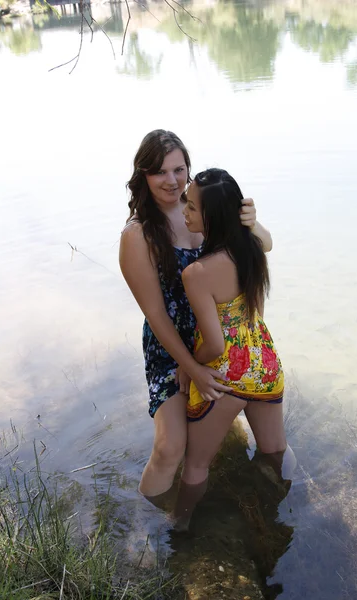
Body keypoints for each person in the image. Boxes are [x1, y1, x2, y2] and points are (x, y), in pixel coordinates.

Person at [119, 130, 273, 502]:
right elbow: (155, 315)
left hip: (218, 340)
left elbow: (263, 247)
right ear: (143, 176)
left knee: (217, 436)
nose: (172, 181)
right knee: (171, 447)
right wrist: (191, 369)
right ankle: (152, 527)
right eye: (160, 172)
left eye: (179, 169)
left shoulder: (204, 208)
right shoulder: (137, 235)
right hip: (172, 350)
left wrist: (253, 223)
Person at [173, 167, 290, 528]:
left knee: (195, 464)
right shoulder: (252, 248)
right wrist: (253, 223)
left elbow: (216, 343)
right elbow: (267, 241)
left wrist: (188, 366)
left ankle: (180, 527)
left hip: (228, 376)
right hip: (266, 364)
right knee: (274, 453)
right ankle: (274, 513)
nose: (184, 212)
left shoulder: (198, 272)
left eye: (190, 207)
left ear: (211, 216)